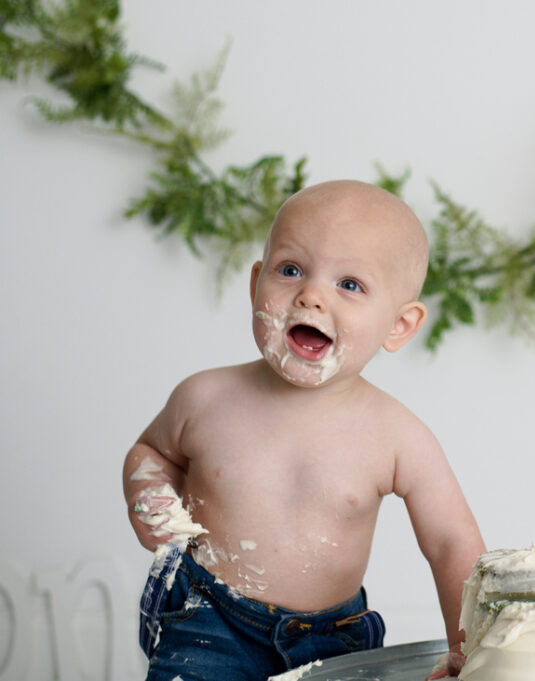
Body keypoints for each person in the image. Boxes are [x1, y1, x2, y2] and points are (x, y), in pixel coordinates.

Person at [123, 180, 485, 681]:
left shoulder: (397, 436)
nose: (311, 295)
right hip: (208, 621)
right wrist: (149, 493)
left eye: (350, 284)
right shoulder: (205, 398)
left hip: (335, 638)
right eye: (290, 270)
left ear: (398, 326)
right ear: (255, 286)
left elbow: (451, 543)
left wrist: (471, 652)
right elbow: (152, 451)